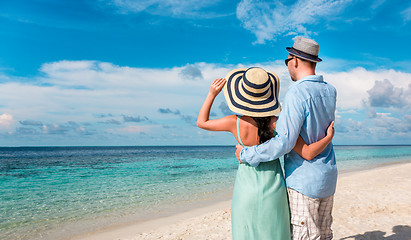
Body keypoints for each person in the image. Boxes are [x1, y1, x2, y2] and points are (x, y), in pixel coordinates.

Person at [197, 66, 335, 240]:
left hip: (245, 191)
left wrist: (211, 94)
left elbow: (202, 122)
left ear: (242, 96)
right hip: (274, 188)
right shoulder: (277, 123)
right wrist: (328, 137)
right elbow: (305, 151)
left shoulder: (234, 122)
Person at [236, 37, 337, 240]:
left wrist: (247, 153)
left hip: (304, 181)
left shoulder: (297, 92)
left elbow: (284, 142)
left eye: (287, 60)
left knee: (305, 236)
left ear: (295, 60)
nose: (287, 65)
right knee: (325, 234)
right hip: (328, 176)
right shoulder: (330, 91)